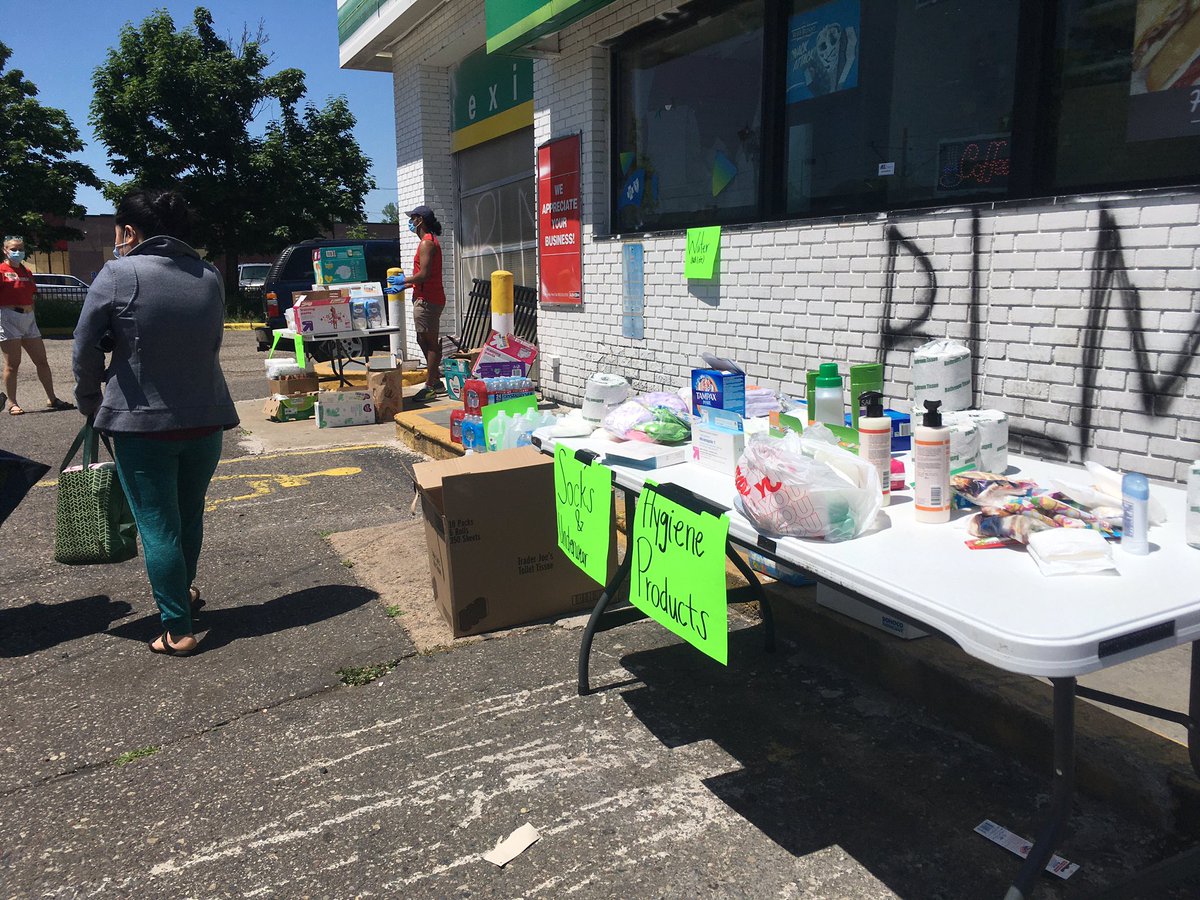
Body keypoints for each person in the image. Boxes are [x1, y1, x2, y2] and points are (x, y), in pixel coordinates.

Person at [72, 190, 239, 657]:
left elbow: (85, 348)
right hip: (206, 419)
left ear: (129, 232)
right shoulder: (210, 275)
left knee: (158, 527)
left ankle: (177, 629)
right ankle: (181, 593)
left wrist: (89, 400)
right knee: (188, 517)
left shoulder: (118, 273)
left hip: (140, 424)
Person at [0, 235, 76, 415]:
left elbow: (32, 294)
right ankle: (12, 402)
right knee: (13, 364)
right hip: (8, 318)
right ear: (5, 250)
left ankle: (52, 398)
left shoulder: (26, 272)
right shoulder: (1, 271)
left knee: (41, 360)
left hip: (28, 318)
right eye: (13, 249)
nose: (17, 252)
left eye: (20, 248)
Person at [387, 204, 446, 402]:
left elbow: (425, 274)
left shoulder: (427, 243)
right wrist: (403, 287)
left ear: (420, 220)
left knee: (430, 343)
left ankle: (430, 386)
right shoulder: (427, 242)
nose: (410, 223)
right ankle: (435, 379)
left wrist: (402, 281)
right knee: (423, 340)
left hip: (428, 300)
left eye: (412, 219)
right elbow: (423, 277)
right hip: (424, 297)